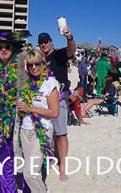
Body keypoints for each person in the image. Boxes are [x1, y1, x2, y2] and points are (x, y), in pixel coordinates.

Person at [0, 32, 28, 192]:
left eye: (7, 46)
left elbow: (30, 91)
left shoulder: (22, 67)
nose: (3, 49)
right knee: (4, 162)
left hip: (20, 122)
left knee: (23, 161)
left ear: (13, 48)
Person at [16, 49, 60, 192]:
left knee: (31, 175)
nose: (34, 68)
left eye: (37, 64)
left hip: (41, 132)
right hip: (25, 130)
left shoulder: (50, 83)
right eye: (30, 65)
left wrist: (30, 108)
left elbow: (54, 112)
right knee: (33, 169)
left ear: (43, 64)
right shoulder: (28, 83)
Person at [37, 29, 75, 182]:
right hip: (44, 100)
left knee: (61, 134)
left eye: (46, 41)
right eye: (41, 42)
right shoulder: (39, 58)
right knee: (47, 133)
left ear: (51, 42)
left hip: (59, 99)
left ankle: (63, 167)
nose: (44, 44)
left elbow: (71, 50)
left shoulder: (59, 54)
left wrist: (69, 37)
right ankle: (51, 158)